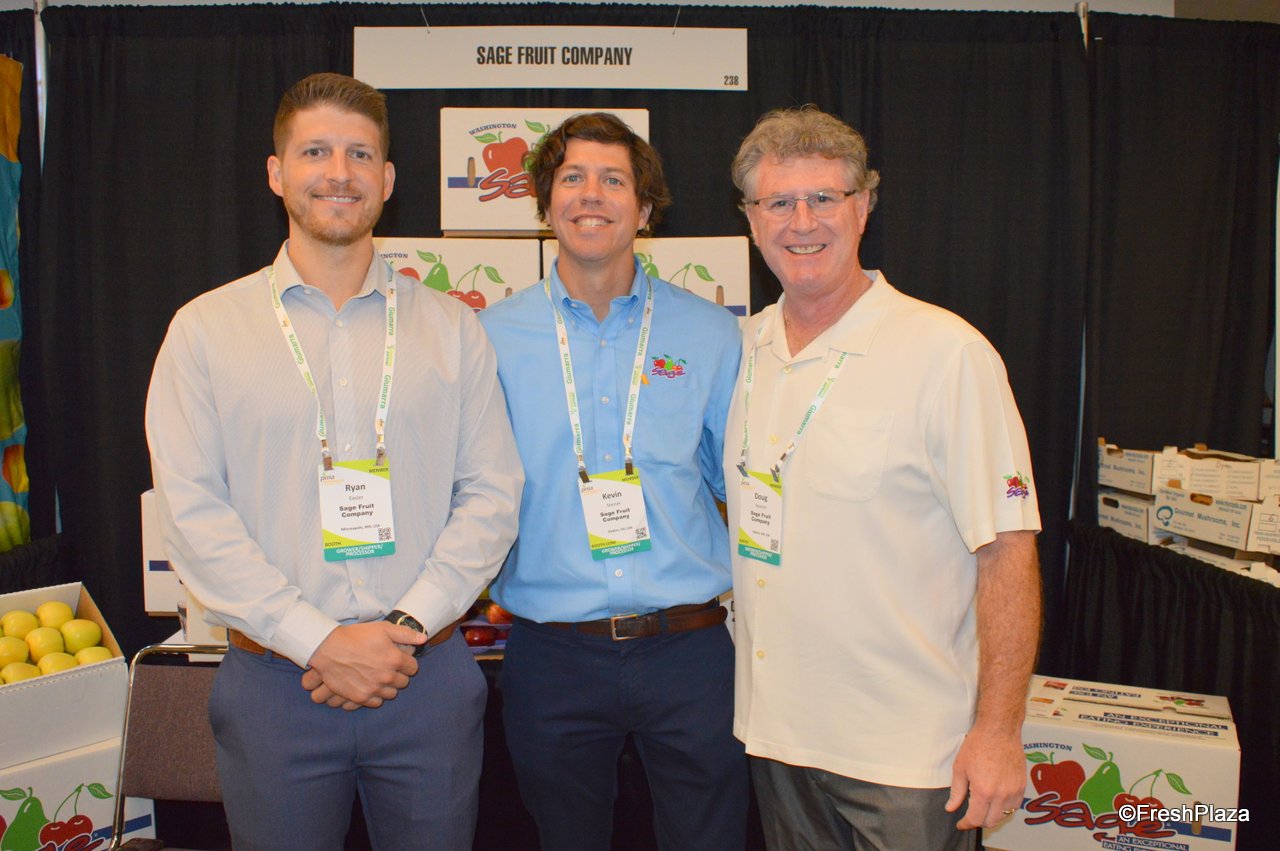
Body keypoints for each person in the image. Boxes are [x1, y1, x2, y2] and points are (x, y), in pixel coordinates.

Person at [145, 72, 522, 850]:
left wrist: (404, 627)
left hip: (424, 678)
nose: (339, 173)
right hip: (275, 686)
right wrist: (317, 639)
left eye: (360, 154)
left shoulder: (453, 329)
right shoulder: (204, 330)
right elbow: (192, 512)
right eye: (315, 151)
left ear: (387, 179)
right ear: (276, 172)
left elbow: (491, 492)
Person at [725, 105, 1042, 851]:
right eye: (778, 202)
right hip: (778, 738)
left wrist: (999, 731)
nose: (802, 222)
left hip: (907, 756)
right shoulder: (742, 348)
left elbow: (1007, 551)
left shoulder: (946, 353)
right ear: (750, 219)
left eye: (824, 198)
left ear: (863, 205)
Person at [478, 112, 747, 850]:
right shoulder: (488, 339)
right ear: (545, 202)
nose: (591, 194)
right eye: (572, 177)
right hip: (552, 655)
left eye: (613, 180)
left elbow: (741, 486)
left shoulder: (711, 334)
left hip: (689, 650)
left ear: (646, 208)